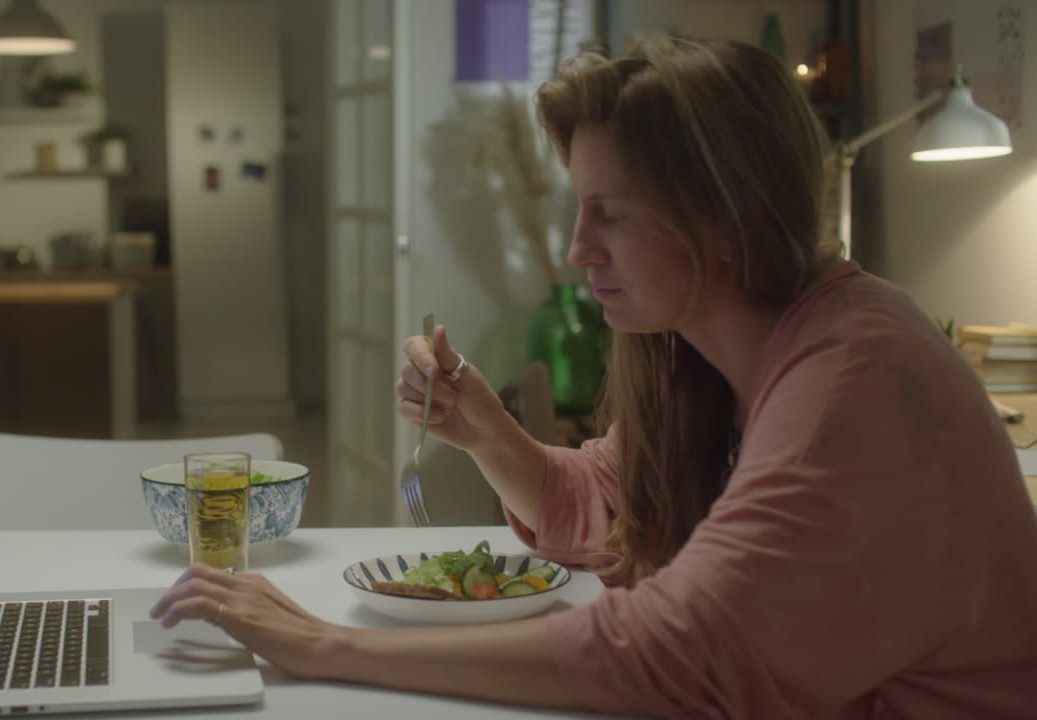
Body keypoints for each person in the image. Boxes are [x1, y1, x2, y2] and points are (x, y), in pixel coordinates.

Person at [151, 36, 1037, 717]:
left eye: (609, 216)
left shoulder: (858, 372)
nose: (579, 252)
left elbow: (668, 653)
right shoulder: (699, 347)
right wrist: (485, 430)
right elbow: (612, 501)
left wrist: (325, 647)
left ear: (723, 221)